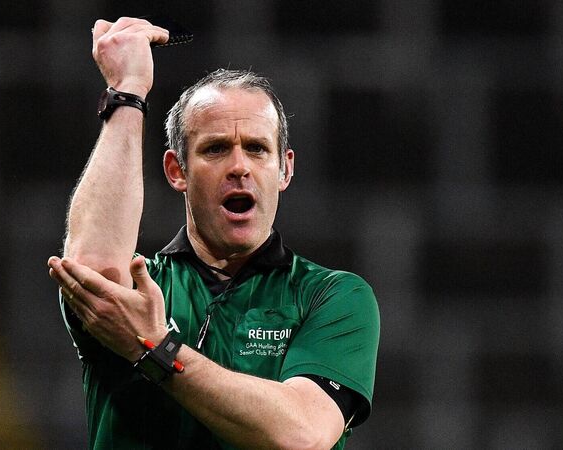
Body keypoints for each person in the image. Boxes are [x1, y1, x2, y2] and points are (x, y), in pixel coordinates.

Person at [47, 16, 380, 450]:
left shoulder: (331, 297)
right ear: (177, 171)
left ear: (285, 170)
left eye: (257, 149)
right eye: (216, 148)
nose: (239, 166)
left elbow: (301, 435)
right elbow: (90, 276)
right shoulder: (146, 286)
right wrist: (128, 91)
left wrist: (156, 347)